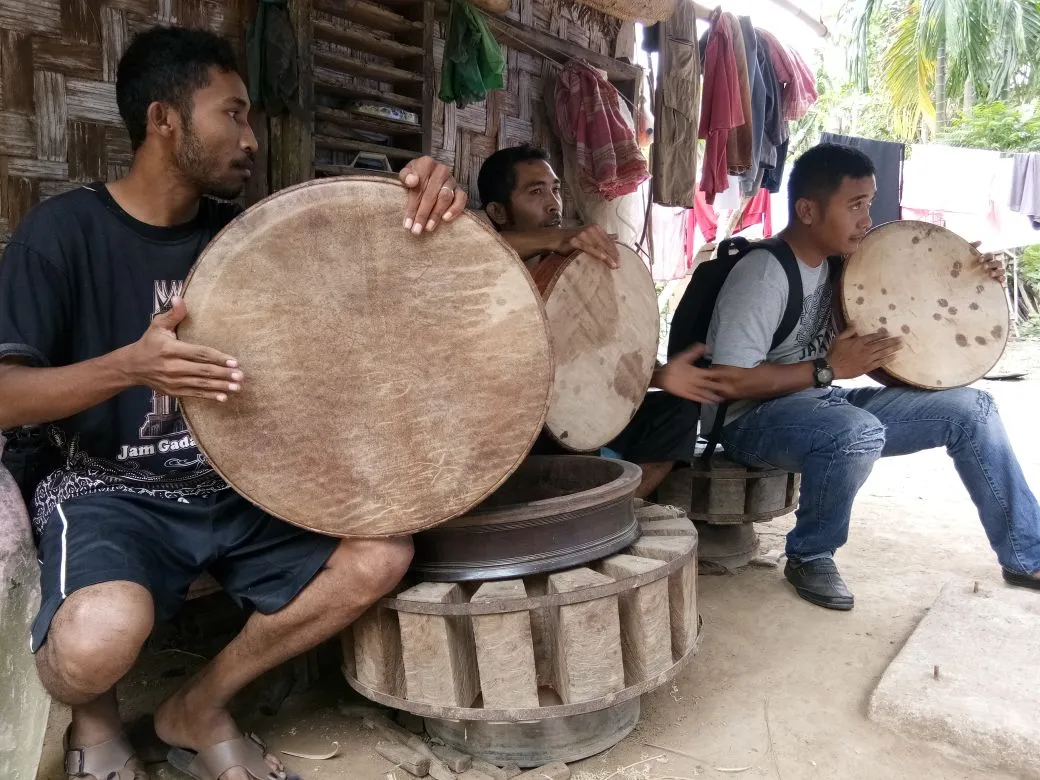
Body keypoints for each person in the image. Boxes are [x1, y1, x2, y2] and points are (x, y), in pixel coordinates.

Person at [0, 27, 466, 780]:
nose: (251, 138)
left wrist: (418, 194)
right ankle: (95, 716)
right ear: (164, 121)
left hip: (243, 482)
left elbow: (366, 264)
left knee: (381, 552)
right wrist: (128, 367)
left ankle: (199, 706)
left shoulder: (249, 238)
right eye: (234, 114)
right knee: (95, 640)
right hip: (107, 487)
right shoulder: (61, 234)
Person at [697, 142, 1040, 610]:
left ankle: (1026, 553)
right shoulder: (764, 275)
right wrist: (828, 369)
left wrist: (972, 277)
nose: (866, 219)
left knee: (972, 409)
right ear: (808, 210)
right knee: (857, 431)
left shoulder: (846, 266)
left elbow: (914, 308)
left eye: (869, 204)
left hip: (820, 405)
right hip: (748, 421)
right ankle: (811, 553)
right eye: (855, 205)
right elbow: (726, 382)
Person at [477, 145, 729, 496]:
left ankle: (614, 510)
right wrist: (554, 237)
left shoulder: (572, 267)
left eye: (555, 190)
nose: (553, 203)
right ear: (497, 211)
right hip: (519, 421)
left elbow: (593, 353)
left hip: (576, 406)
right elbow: (477, 245)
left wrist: (655, 375)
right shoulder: (479, 268)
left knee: (677, 412)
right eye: (535, 192)